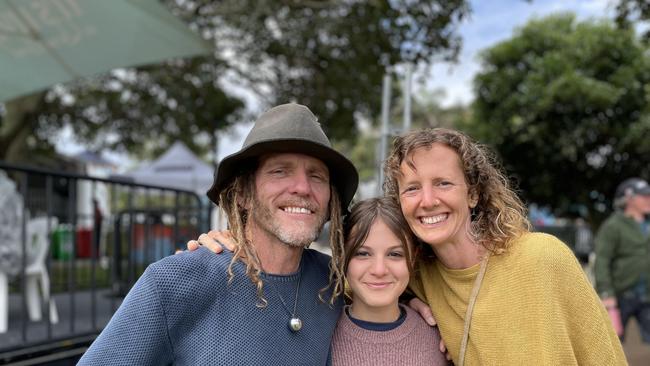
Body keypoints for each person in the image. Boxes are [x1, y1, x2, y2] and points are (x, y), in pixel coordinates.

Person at [78, 103, 359, 365]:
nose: (302, 187)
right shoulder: (173, 282)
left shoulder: (338, 282)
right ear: (243, 195)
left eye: (317, 176)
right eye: (280, 171)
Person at [382, 128, 626, 365]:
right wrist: (404, 303)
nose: (428, 201)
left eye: (443, 183)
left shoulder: (543, 257)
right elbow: (354, 288)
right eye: (412, 188)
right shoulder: (411, 275)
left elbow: (605, 357)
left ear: (473, 195)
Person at [330, 197, 448, 365]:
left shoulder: (440, 339)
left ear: (413, 259)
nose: (379, 270)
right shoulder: (322, 335)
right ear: (342, 257)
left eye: (395, 254)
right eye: (363, 253)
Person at [594, 177, 650, 343]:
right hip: (621, 295)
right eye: (644, 196)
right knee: (610, 342)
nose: (648, 199)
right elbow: (602, 260)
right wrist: (606, 293)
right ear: (630, 199)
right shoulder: (614, 226)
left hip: (647, 295)